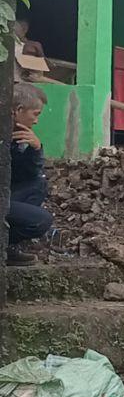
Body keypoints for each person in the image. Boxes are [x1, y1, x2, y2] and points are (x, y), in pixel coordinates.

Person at [7, 83, 52, 266]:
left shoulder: (15, 134)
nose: (36, 121)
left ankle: (6, 247)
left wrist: (35, 150)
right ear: (18, 110)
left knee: (38, 184)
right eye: (35, 114)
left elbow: (25, 175)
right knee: (42, 220)